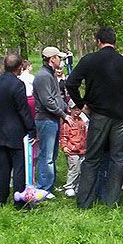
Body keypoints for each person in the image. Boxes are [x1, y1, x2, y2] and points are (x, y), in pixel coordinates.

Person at [66, 26, 123, 208]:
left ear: (98, 41)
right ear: (115, 42)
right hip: (121, 116)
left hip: (98, 113)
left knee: (92, 158)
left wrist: (82, 104)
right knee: (118, 159)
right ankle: (112, 201)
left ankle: (84, 201)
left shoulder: (89, 60)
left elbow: (71, 83)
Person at [0, 53, 37, 208]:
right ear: (19, 67)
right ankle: (20, 201)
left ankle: (0, 200)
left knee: (2, 167)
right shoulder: (17, 84)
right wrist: (31, 129)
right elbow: (23, 110)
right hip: (16, 131)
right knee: (19, 168)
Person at [33, 46, 72, 196]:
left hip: (53, 119)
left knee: (52, 155)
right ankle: (43, 188)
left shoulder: (51, 74)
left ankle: (49, 184)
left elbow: (57, 97)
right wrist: (63, 114)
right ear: (52, 59)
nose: (61, 60)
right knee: (46, 156)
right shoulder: (43, 76)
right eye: (59, 58)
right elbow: (47, 101)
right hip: (46, 120)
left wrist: (66, 110)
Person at [60, 106, 88, 197]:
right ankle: (69, 187)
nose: (77, 111)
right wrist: (64, 146)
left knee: (81, 170)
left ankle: (77, 186)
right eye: (75, 109)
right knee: (74, 169)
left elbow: (85, 136)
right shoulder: (67, 123)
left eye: (79, 109)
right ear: (69, 109)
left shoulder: (82, 122)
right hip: (72, 151)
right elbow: (64, 136)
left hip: (82, 150)